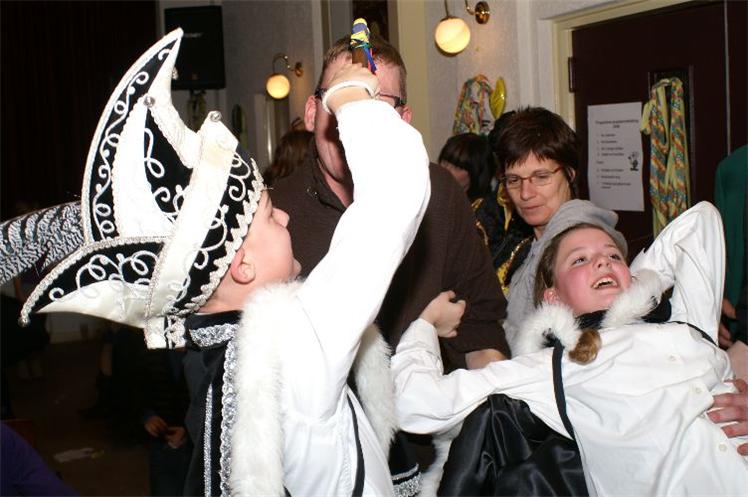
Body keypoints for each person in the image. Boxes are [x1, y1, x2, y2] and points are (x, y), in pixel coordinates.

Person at [0, 30, 432, 496]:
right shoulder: (294, 349)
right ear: (243, 266)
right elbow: (396, 196)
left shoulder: (219, 358)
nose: (285, 216)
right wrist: (352, 98)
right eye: (270, 216)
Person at [393, 201, 748, 495]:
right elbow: (419, 404)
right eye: (579, 260)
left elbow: (700, 221)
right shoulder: (556, 368)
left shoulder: (689, 325)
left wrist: (637, 289)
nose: (603, 262)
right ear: (553, 297)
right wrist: (424, 325)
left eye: (614, 256)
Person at [272, 33, 508, 374]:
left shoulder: (438, 191)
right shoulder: (274, 216)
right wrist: (424, 326)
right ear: (312, 113)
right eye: (342, 98)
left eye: (375, 103)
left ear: (403, 119)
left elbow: (480, 324)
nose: (351, 120)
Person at [437, 133, 495, 202]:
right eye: (444, 163)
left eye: (457, 168)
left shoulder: (485, 207)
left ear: (476, 173)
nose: (446, 170)